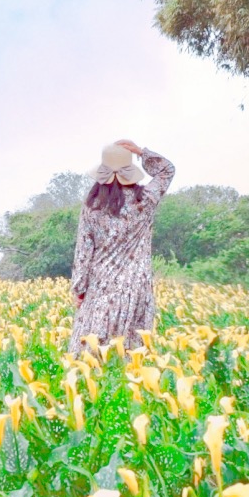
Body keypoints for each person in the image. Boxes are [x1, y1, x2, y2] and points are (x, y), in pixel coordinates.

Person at [69, 139, 175, 353]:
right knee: (132, 352)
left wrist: (79, 290)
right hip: (136, 288)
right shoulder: (145, 200)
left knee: (91, 353)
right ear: (130, 172)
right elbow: (167, 170)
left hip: (101, 289)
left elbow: (83, 252)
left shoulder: (92, 207)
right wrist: (140, 152)